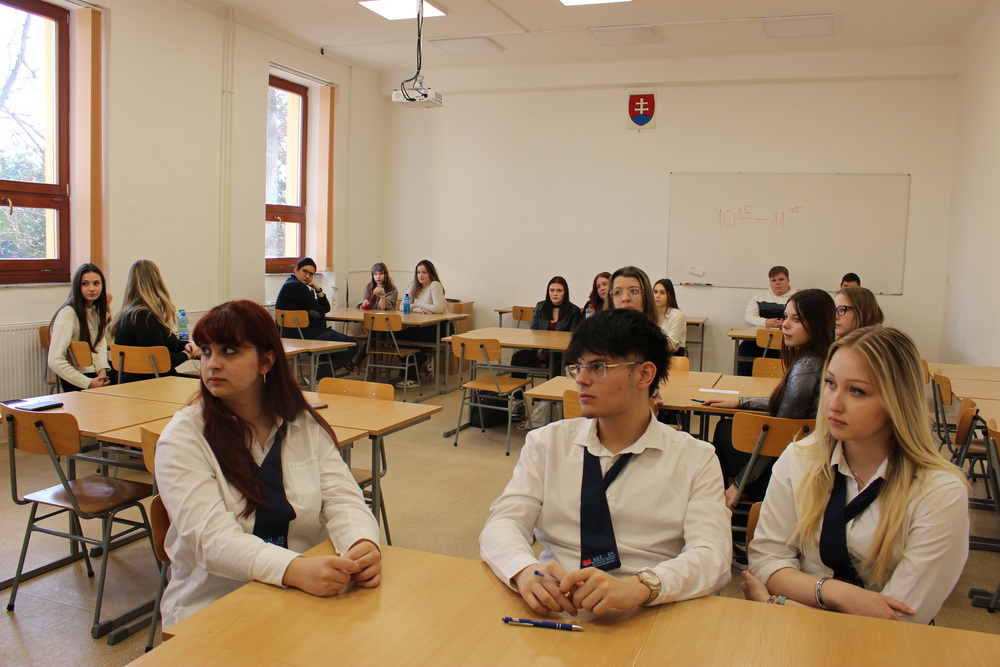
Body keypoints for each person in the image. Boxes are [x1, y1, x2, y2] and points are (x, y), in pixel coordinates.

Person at [480, 309, 731, 616]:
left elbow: (713, 556)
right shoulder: (547, 443)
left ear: (644, 375)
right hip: (557, 603)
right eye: (577, 367)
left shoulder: (695, 458)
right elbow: (503, 522)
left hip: (651, 608)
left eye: (598, 367)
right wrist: (523, 570)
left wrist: (641, 586)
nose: (581, 380)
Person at [155, 300, 381, 628]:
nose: (211, 364)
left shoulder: (302, 424)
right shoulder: (183, 436)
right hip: (215, 607)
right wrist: (292, 569)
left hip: (306, 596)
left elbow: (342, 498)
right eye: (205, 351)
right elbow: (210, 539)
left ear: (266, 361)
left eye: (229, 351)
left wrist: (361, 542)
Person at [742, 327, 968, 625]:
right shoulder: (801, 458)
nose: (833, 404)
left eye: (857, 391)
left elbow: (898, 621)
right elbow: (767, 562)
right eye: (830, 383)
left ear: (897, 400)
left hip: (884, 647)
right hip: (794, 635)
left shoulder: (939, 491)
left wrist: (779, 603)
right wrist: (836, 593)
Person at [706, 288, 836, 509]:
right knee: (729, 428)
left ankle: (733, 505)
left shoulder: (806, 366)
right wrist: (741, 402)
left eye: (797, 319)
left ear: (817, 323)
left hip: (786, 477)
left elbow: (777, 433)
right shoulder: (824, 358)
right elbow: (789, 404)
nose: (785, 324)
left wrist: (738, 484)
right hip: (803, 465)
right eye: (786, 317)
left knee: (725, 430)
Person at [108, 259, 200, 383]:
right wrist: (187, 355)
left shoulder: (126, 314)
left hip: (130, 385)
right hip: (152, 384)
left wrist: (185, 345)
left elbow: (167, 343)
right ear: (157, 281)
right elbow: (161, 361)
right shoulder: (143, 318)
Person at [275, 257, 356, 374]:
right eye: (305, 271)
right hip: (308, 335)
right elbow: (321, 312)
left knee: (336, 347)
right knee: (353, 345)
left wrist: (317, 289)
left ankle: (320, 373)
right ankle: (320, 375)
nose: (307, 276)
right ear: (296, 270)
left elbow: (324, 309)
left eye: (311, 274)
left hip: (291, 335)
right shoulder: (297, 287)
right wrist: (317, 310)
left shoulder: (290, 284)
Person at [47, 263, 113, 391]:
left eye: (96, 283)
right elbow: (54, 360)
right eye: (85, 284)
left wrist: (102, 372)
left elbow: (99, 345)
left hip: (95, 374)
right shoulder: (68, 314)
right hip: (77, 377)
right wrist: (88, 383)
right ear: (77, 286)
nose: (92, 288)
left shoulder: (95, 311)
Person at [394, 259, 446, 388]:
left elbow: (438, 308)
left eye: (424, 272)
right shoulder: (414, 285)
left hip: (438, 327)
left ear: (430, 273)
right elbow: (402, 306)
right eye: (418, 272)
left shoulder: (435, 285)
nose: (420, 275)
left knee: (414, 343)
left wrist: (416, 304)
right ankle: (421, 363)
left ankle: (412, 377)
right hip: (419, 326)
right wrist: (417, 309)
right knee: (395, 338)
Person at [739, 266, 797, 376]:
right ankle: (744, 382)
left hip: (788, 341)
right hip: (762, 340)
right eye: (773, 280)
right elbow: (749, 316)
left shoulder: (798, 298)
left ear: (788, 280)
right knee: (744, 349)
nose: (777, 283)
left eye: (781, 279)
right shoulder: (759, 296)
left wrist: (786, 323)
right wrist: (766, 322)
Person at [350, 262, 399, 371]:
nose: (378, 277)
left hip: (388, 325)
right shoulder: (369, 287)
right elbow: (360, 304)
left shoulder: (393, 290)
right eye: (375, 274)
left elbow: (383, 308)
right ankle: (373, 366)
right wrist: (363, 304)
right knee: (375, 335)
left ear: (385, 274)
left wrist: (382, 294)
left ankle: (359, 360)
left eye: (380, 273)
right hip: (372, 324)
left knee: (375, 336)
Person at [653, 278, 686, 355]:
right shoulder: (648, 313)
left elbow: (670, 346)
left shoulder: (677, 315)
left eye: (662, 293)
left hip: (672, 357)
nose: (657, 296)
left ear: (670, 295)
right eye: (655, 292)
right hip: (651, 356)